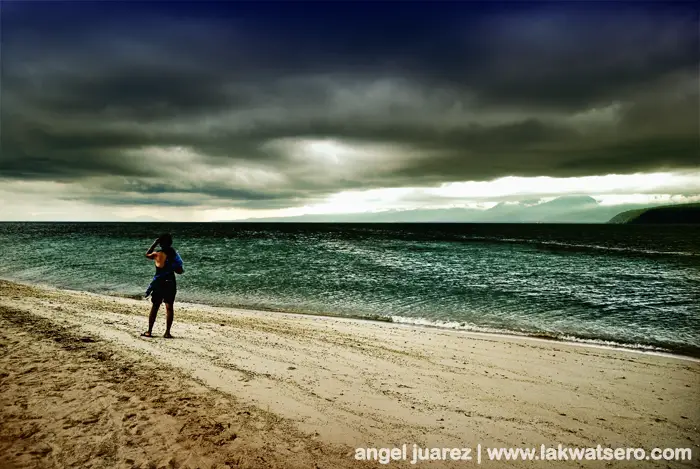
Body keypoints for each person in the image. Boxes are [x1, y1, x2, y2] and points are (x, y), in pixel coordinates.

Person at [142, 233, 184, 338]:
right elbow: (180, 271)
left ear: (160, 243)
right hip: (170, 282)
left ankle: (149, 331)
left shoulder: (157, 254)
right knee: (169, 307)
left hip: (159, 283)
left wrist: (154, 243)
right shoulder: (174, 256)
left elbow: (147, 254)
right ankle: (167, 332)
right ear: (170, 243)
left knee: (155, 306)